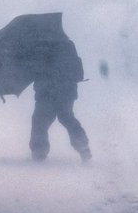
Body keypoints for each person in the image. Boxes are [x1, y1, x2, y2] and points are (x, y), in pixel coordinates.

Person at [28, 32, 91, 163]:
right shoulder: (68, 45)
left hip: (46, 93)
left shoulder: (38, 48)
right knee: (66, 117)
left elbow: (33, 70)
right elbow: (78, 72)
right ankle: (82, 145)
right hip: (66, 92)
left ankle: (39, 152)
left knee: (40, 120)